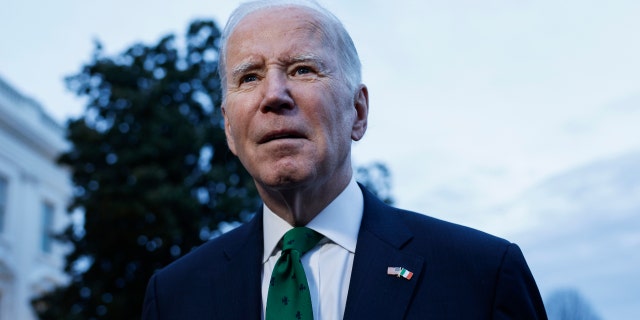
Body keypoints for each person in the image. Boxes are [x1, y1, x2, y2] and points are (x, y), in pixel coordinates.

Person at [142, 0, 548, 319]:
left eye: (302, 70)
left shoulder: (482, 275)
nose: (273, 95)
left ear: (358, 111)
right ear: (229, 128)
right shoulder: (174, 296)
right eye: (249, 77)